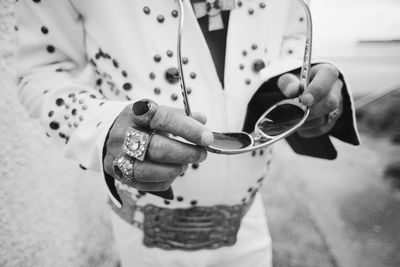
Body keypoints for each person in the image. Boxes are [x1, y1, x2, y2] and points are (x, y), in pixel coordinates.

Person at [15, 0, 359, 266]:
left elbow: (289, 38)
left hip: (250, 226)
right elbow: (43, 70)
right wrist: (99, 128)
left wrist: (307, 83)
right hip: (146, 244)